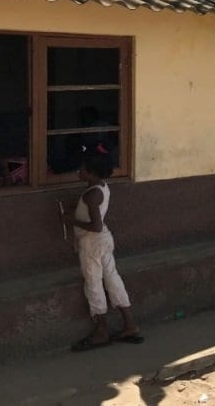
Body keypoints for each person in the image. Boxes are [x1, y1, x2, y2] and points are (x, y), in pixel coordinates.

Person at [63, 146, 142, 351]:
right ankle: (130, 325)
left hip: (93, 241)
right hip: (103, 241)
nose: (79, 172)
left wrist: (71, 219)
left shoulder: (91, 195)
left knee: (93, 283)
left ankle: (101, 331)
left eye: (82, 169)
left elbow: (95, 226)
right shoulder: (102, 188)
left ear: (90, 172)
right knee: (112, 279)